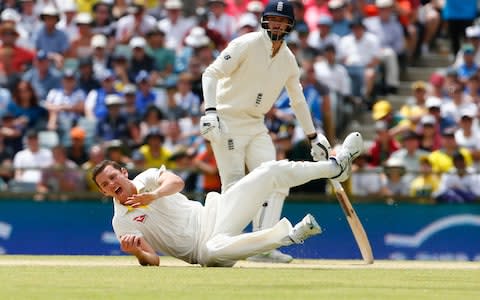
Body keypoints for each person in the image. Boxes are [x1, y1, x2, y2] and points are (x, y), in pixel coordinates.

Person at [92, 132, 363, 267]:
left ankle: (334, 167)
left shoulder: (149, 177)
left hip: (215, 212)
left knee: (268, 171)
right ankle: (290, 236)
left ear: (124, 172)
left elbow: (176, 182)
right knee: (212, 254)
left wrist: (153, 194)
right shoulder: (121, 222)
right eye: (105, 185)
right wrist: (137, 252)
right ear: (104, 192)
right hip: (201, 249)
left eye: (113, 177)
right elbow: (154, 259)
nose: (112, 184)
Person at [199, 0, 331, 263]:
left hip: (256, 124)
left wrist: (313, 137)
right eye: (273, 19)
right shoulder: (245, 44)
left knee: (276, 178)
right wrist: (211, 112)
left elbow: (298, 100)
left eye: (283, 21)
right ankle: (224, 247)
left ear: (290, 25)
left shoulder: (288, 60)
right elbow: (210, 73)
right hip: (227, 120)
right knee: (235, 184)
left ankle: (263, 248)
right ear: (264, 20)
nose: (277, 24)